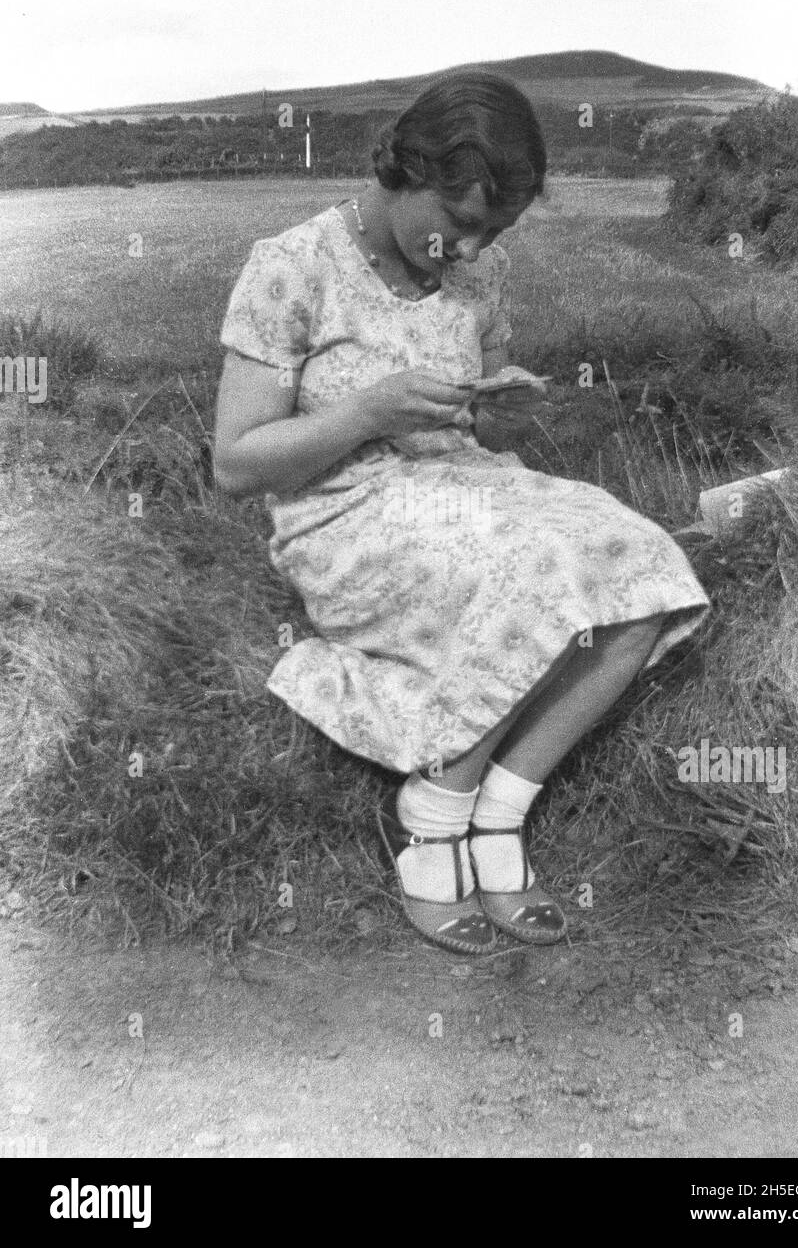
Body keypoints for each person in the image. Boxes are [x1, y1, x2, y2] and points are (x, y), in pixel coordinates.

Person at [213, 72, 709, 955]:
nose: (474, 249)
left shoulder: (482, 273)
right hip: (343, 515)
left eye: (496, 231)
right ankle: (434, 813)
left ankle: (501, 809)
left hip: (469, 483)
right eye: (463, 221)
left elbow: (478, 411)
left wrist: (498, 411)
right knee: (532, 568)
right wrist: (367, 412)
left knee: (644, 562)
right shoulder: (291, 266)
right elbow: (236, 463)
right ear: (403, 171)